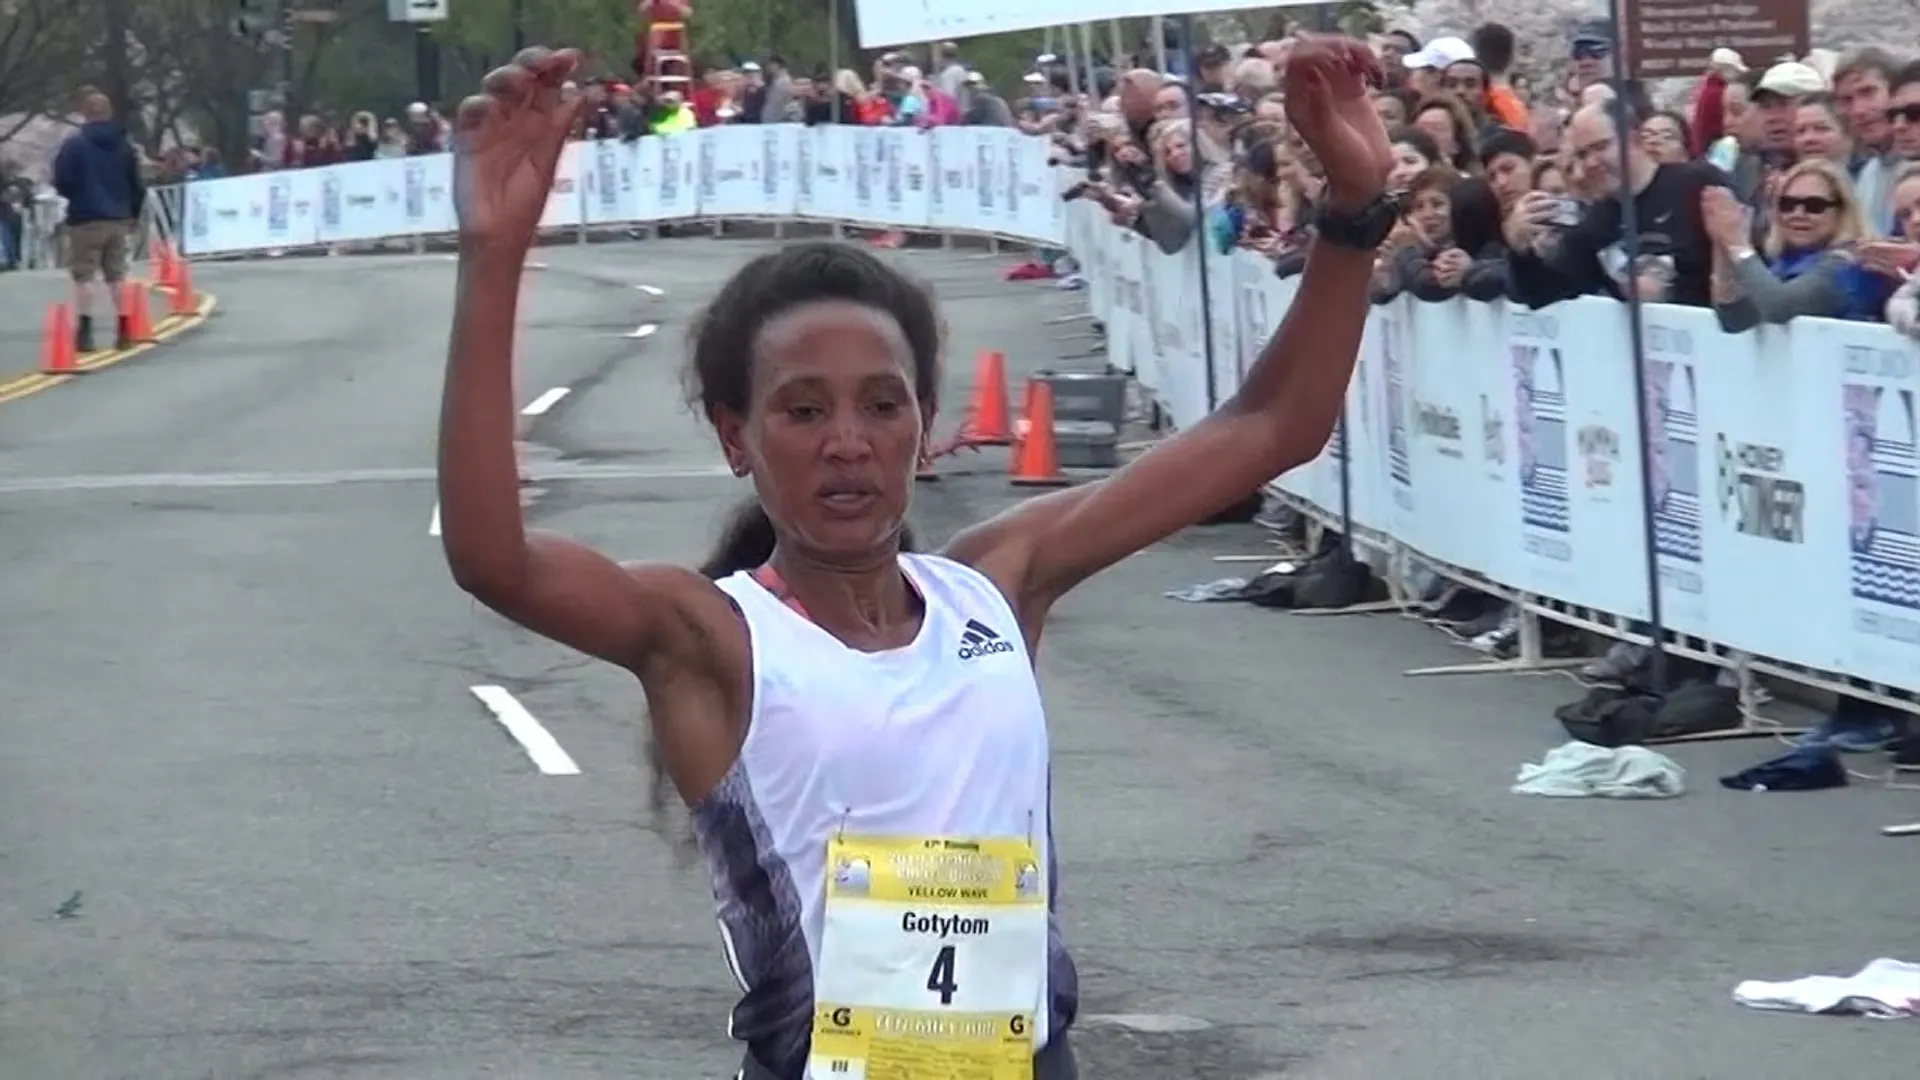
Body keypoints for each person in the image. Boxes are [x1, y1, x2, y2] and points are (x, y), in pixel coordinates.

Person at [438, 40, 1393, 1080]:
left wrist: (1354, 207)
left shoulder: (996, 585)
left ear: (926, 425)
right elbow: (496, 558)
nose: (847, 441)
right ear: (733, 436)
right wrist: (494, 257)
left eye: (881, 406)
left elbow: (1275, 426)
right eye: (802, 411)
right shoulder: (710, 636)